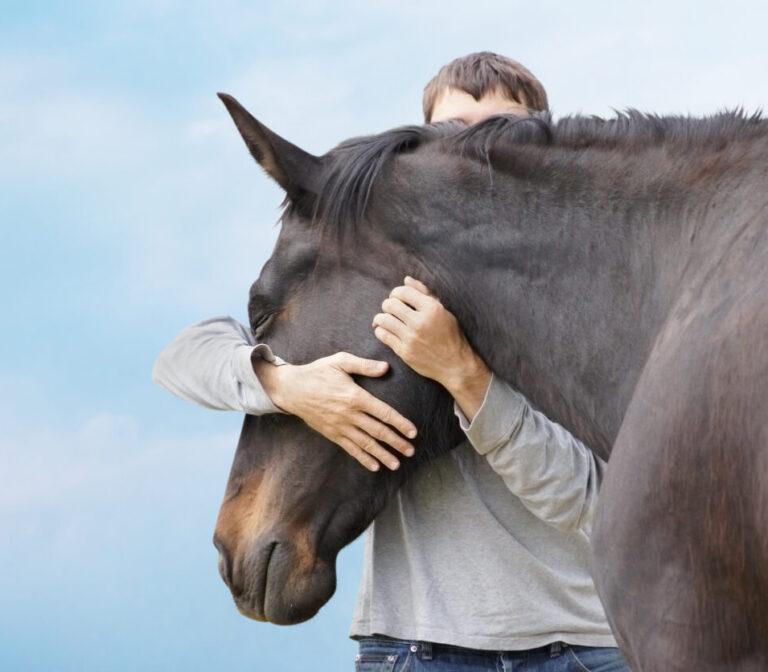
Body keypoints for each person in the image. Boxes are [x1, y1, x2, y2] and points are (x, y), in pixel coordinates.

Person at [153, 52, 630, 671]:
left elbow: (590, 503)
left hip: (585, 651)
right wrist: (288, 384)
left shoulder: (584, 306)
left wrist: (463, 374)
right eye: (455, 129)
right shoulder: (376, 290)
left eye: (503, 129)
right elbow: (181, 357)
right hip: (415, 647)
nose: (477, 147)